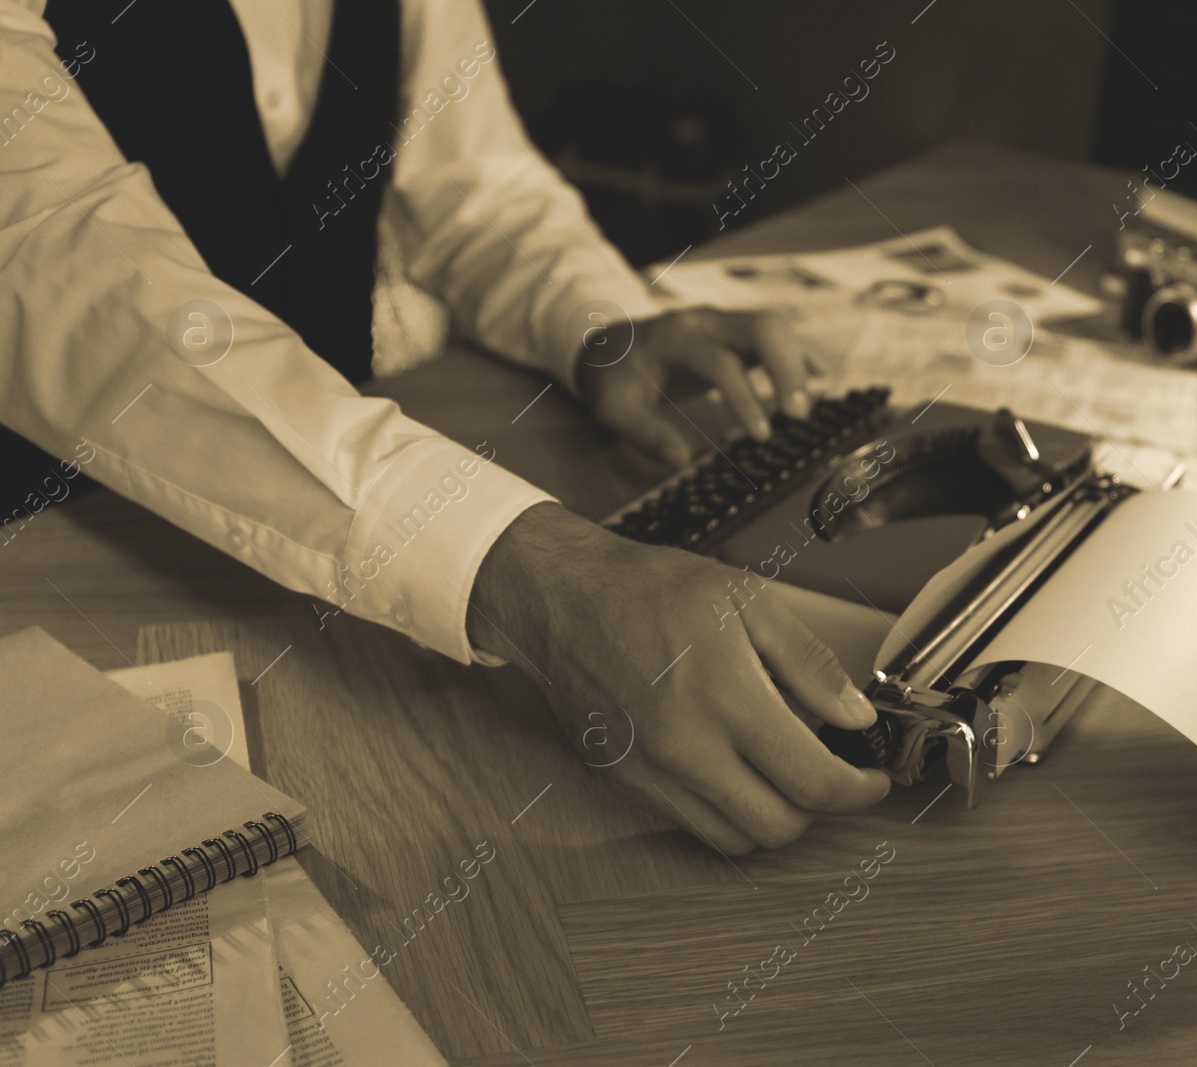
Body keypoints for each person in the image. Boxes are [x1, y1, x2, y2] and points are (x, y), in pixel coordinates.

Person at [0, 0, 891, 853]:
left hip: (317, 599)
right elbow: (48, 248)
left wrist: (599, 323)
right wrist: (526, 570)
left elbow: (470, 185)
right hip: (48, 569)